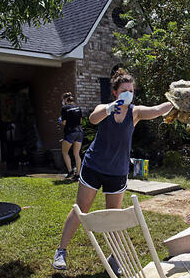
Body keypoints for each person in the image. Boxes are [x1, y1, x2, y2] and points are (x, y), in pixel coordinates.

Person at [52, 68, 173, 270]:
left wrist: (176, 100)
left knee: (114, 215)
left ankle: (115, 256)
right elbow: (92, 118)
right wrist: (109, 108)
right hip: (94, 166)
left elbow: (158, 110)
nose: (129, 94)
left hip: (117, 171)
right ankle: (61, 251)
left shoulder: (135, 112)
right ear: (115, 92)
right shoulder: (105, 108)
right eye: (125, 90)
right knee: (81, 209)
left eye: (132, 91)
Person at [60, 92, 83, 180]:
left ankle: (70, 172)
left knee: (65, 152)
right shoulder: (78, 107)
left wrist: (60, 121)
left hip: (70, 132)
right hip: (79, 132)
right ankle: (77, 174)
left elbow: (64, 122)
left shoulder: (64, 108)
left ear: (65, 99)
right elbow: (80, 121)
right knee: (76, 154)